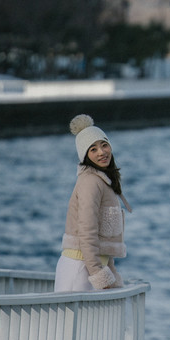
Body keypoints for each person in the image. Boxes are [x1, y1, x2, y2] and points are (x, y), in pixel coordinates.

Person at [55, 114, 132, 292]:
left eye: (104, 145)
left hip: (89, 266)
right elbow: (87, 231)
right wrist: (99, 275)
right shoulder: (90, 182)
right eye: (93, 149)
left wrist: (110, 271)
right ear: (85, 155)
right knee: (71, 320)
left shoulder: (103, 181)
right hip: (80, 268)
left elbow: (104, 234)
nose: (101, 152)